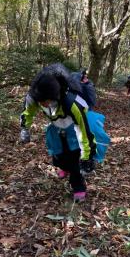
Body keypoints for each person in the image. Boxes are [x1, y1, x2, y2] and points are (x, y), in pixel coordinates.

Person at [19, 63, 96, 202]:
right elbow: (28, 111)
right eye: (40, 102)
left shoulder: (72, 103)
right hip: (55, 129)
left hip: (74, 130)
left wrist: (87, 158)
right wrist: (25, 128)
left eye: (46, 101)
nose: (43, 105)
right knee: (58, 156)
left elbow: (84, 131)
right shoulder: (36, 95)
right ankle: (64, 167)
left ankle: (78, 188)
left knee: (74, 161)